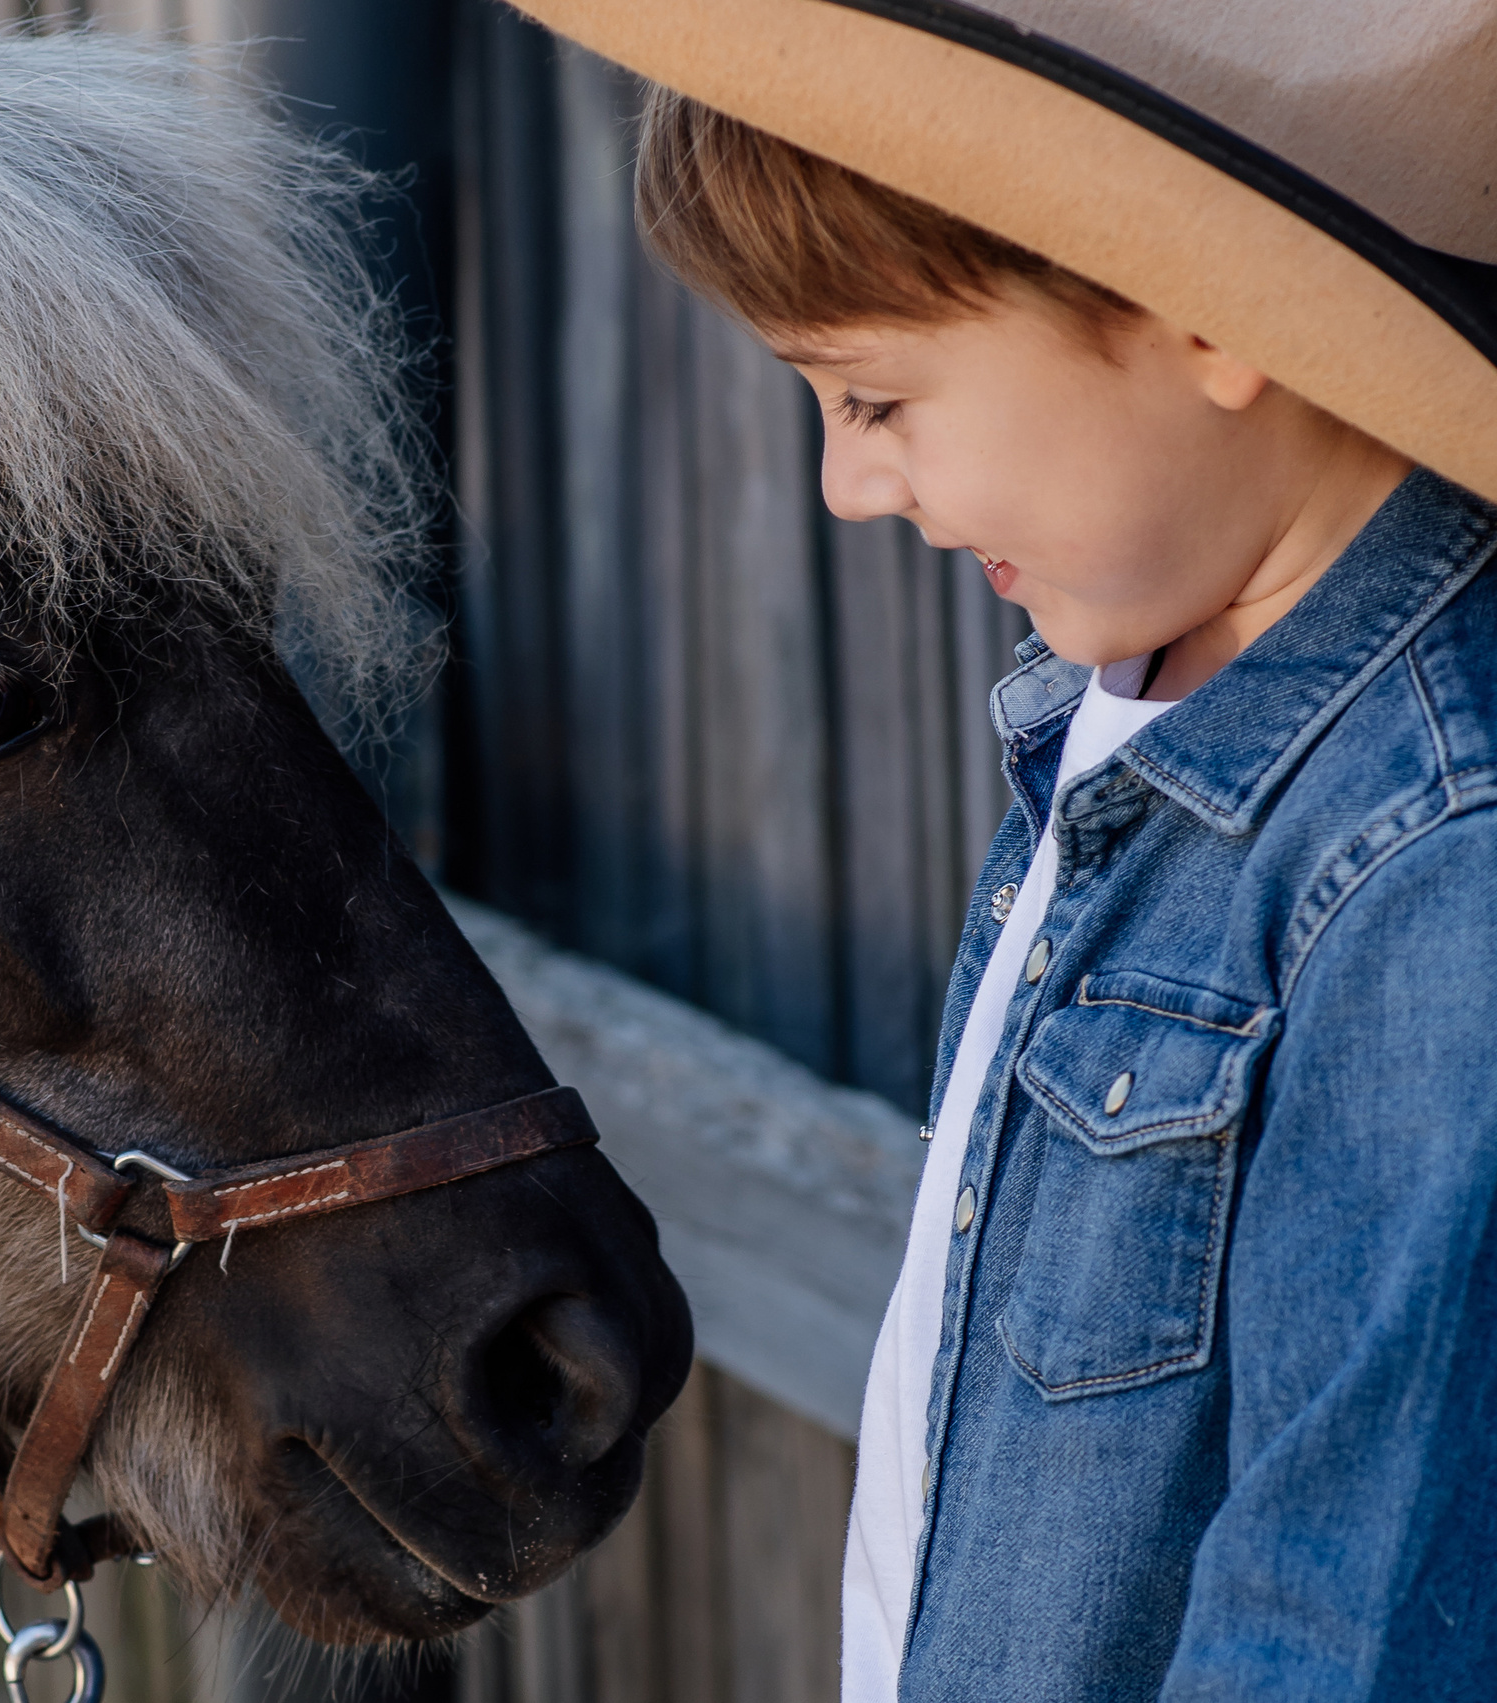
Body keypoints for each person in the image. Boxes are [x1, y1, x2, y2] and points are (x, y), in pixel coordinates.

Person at [504, 2, 1497, 1695]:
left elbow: (1348, 1621)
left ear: (1202, 313)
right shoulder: (1127, 708)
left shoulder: (1429, 874)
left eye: (876, 399)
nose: (843, 487)